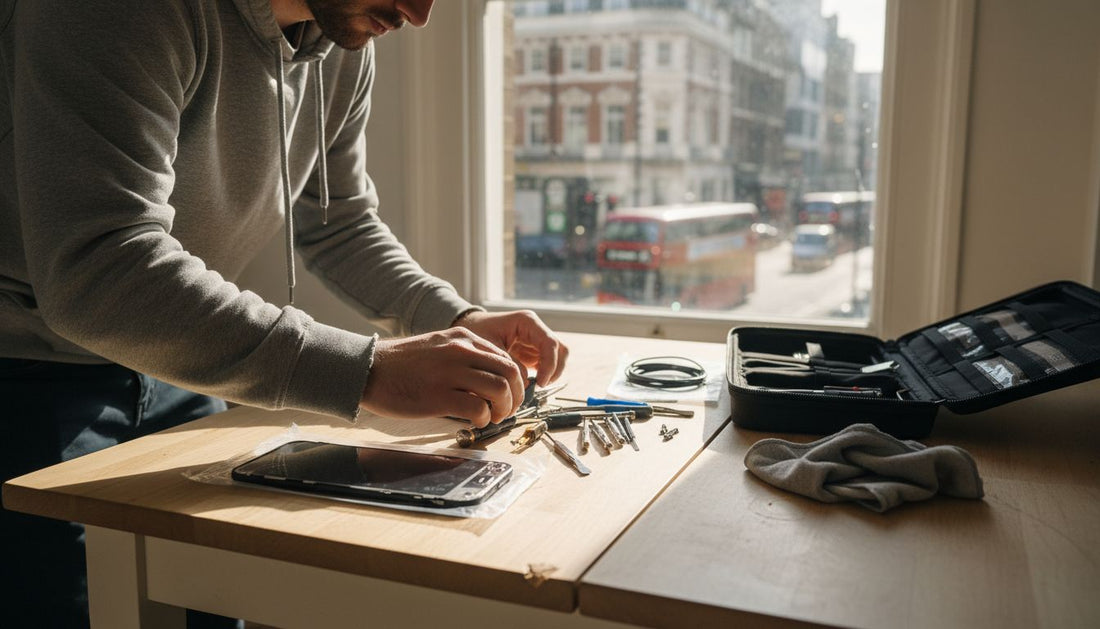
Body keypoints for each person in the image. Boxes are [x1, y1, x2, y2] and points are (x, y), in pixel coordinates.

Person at [0, 0, 568, 626]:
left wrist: (456, 317)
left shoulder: (344, 33)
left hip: (178, 361)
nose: (421, 12)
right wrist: (369, 370)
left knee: (219, 598)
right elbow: (98, 273)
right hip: (24, 373)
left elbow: (338, 222)